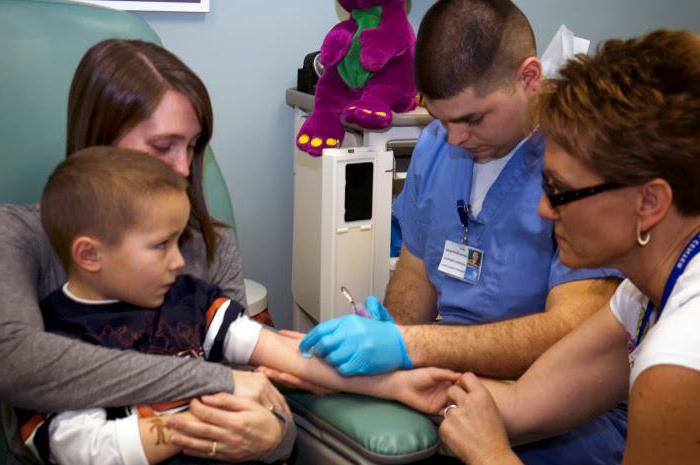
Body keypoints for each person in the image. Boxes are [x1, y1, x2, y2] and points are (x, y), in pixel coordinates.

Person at [298, 1, 627, 463]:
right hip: (451, 381)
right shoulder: (438, 147)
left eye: (473, 119)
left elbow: (573, 331)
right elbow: (416, 268)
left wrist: (408, 346)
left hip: (561, 412)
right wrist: (392, 328)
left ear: (529, 78)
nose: (454, 139)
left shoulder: (579, 164)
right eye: (440, 118)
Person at [19, 147, 460, 465]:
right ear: (89, 255)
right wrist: (200, 418)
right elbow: (86, 450)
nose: (179, 261)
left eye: (178, 241)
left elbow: (286, 355)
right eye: (161, 246)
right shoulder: (56, 340)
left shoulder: (188, 300)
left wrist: (395, 385)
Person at [0, 39, 289, 464]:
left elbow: (253, 388)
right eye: (162, 146)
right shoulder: (19, 236)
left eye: (192, 146)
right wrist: (211, 380)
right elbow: (15, 363)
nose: (184, 168)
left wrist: (274, 437)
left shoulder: (211, 246)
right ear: (99, 141)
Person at [440, 29, 700, 465]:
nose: (543, 210)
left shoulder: (678, 356)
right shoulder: (642, 296)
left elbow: (496, 436)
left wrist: (490, 456)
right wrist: (406, 379)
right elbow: (525, 403)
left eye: (560, 192)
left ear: (650, 202)